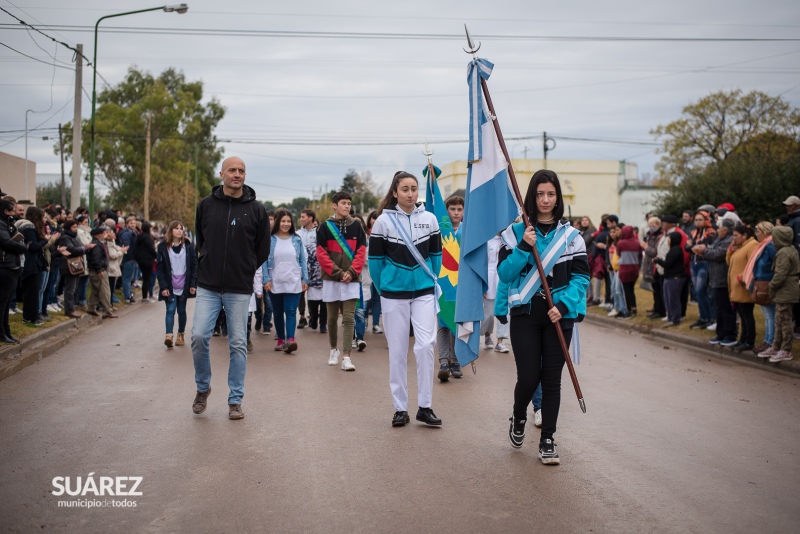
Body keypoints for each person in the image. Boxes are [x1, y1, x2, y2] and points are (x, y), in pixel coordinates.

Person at [498, 169, 590, 465]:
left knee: (551, 379)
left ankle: (548, 439)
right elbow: (504, 274)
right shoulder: (513, 234)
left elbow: (581, 278)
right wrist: (524, 246)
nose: (546, 200)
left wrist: (563, 306)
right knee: (527, 377)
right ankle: (518, 415)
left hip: (558, 316)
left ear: (558, 197)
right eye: (540, 194)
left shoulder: (573, 237)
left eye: (551, 194)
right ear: (531, 197)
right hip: (525, 313)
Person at [190, 156, 270, 420]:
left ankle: (235, 400)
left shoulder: (256, 209)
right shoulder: (206, 205)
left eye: (242, 171)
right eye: (232, 170)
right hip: (208, 286)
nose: (237, 174)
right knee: (200, 336)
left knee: (237, 343)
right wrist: (207, 262)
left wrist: (246, 268)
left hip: (239, 287)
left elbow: (262, 249)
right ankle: (203, 388)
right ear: (221, 173)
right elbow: (200, 239)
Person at [369, 171, 443, 427]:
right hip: (393, 295)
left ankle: (425, 406)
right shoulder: (383, 222)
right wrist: (385, 288)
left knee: (425, 346)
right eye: (405, 189)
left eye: (413, 188)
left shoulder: (430, 219)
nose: (410, 193)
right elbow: (375, 263)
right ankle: (400, 408)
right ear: (395, 193)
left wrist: (429, 279)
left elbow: (436, 256)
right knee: (397, 352)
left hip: (423, 292)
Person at [316, 191, 367, 371]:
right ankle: (333, 349)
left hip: (352, 279)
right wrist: (338, 273)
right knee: (331, 319)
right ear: (334, 205)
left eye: (348, 203)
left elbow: (361, 251)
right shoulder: (324, 227)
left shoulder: (357, 227)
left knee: (348, 318)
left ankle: (346, 356)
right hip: (332, 278)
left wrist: (352, 272)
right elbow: (321, 254)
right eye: (343, 203)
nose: (347, 206)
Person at [263, 208, 308, 354]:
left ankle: (290, 340)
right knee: (277, 312)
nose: (286, 224)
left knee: (290, 311)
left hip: (293, 280)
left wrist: (304, 279)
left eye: (288, 221)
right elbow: (263, 261)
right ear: (277, 222)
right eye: (283, 221)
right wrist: (266, 279)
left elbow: (302, 259)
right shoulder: (269, 239)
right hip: (275, 281)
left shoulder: (296, 239)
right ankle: (281, 339)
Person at [761, 226, 800, 362]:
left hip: (786, 290)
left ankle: (786, 349)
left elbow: (780, 274)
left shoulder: (783, 252)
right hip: (787, 289)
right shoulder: (790, 249)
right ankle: (776, 346)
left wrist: (771, 286)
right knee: (779, 320)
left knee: (785, 321)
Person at [156, 220, 197, 348]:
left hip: (184, 284)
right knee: (170, 309)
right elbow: (160, 268)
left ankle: (181, 333)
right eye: (177, 228)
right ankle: (169, 335)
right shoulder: (163, 247)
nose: (180, 230)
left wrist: (193, 285)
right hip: (170, 284)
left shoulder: (188, 246)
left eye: (181, 228)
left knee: (181, 310)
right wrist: (163, 286)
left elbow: (194, 266)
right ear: (171, 230)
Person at [436, 195, 465, 381]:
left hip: (461, 283)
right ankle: (443, 362)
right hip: (443, 282)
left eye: (459, 209)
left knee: (458, 322)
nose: (455, 212)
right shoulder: (441, 231)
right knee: (442, 324)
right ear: (446, 211)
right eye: (452, 209)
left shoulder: (467, 231)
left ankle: (455, 360)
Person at [697, 218, 736, 345]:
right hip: (715, 278)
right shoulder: (720, 239)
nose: (717, 230)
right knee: (719, 309)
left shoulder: (729, 240)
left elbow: (717, 254)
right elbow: (712, 250)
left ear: (725, 230)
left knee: (726, 309)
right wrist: (706, 249)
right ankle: (721, 334)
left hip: (723, 279)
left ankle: (730, 336)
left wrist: (703, 251)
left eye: (719, 228)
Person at [743, 222, 776, 354]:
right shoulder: (763, 246)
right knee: (767, 315)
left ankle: (770, 342)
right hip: (760, 283)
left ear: (766, 232)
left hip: (767, 284)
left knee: (770, 315)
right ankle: (767, 341)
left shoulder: (770, 246)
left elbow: (776, 265)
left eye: (758, 231)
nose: (756, 234)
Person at [725, 224, 759, 351]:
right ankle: (743, 340)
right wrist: (731, 249)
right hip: (736, 288)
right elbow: (729, 261)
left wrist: (741, 277)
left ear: (744, 236)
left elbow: (753, 265)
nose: (733, 239)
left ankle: (749, 341)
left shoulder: (752, 245)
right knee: (743, 316)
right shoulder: (740, 246)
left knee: (747, 316)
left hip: (743, 286)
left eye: (736, 236)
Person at [0, 198, 27, 343]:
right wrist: (23, 247)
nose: (14, 214)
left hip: (11, 265)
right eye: (12, 211)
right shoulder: (1, 224)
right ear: (5, 211)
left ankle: (6, 331)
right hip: (6, 266)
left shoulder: (8, 224)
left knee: (6, 300)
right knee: (3, 301)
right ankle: (2, 332)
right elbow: (6, 242)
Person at [16, 207, 49, 325]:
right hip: (30, 264)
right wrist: (46, 240)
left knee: (32, 292)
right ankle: (31, 317)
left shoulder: (27, 227)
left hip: (30, 263)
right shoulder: (29, 228)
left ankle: (30, 316)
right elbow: (34, 247)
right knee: (32, 292)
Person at [685, 210, 716, 329]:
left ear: (706, 220)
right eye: (696, 220)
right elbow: (687, 247)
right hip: (695, 262)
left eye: (700, 220)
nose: (697, 222)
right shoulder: (693, 232)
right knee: (698, 292)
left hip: (704, 262)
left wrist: (697, 246)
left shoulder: (711, 232)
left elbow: (707, 247)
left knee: (701, 290)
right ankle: (703, 317)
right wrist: (695, 247)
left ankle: (709, 317)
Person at [85, 226, 118, 319]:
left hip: (97, 270)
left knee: (96, 290)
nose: (105, 235)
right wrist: (99, 270)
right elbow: (96, 258)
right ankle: (107, 310)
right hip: (98, 271)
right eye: (104, 233)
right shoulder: (96, 245)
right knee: (105, 291)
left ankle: (91, 307)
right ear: (98, 234)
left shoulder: (99, 243)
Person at [654, 232, 685, 326]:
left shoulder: (676, 250)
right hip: (669, 277)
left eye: (670, 238)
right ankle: (670, 316)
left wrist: (658, 260)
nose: (668, 240)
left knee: (673, 299)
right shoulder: (672, 249)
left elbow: (668, 263)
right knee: (667, 298)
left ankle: (675, 319)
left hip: (675, 277)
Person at [296, 209, 317, 329]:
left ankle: (313, 316)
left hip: (315, 268)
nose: (301, 219)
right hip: (301, 267)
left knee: (313, 293)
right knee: (300, 292)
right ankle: (302, 316)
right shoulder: (298, 233)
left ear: (310, 218)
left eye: (303, 217)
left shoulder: (318, 233)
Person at [616, 225, 642, 317]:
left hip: (624, 269)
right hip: (634, 268)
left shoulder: (621, 243)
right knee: (632, 289)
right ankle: (634, 308)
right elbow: (640, 256)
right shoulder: (637, 243)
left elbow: (618, 253)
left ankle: (629, 310)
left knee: (626, 291)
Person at [365, 210, 382, 333]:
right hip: (366, 273)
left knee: (377, 299)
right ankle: (364, 321)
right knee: (367, 298)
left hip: (379, 273)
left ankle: (375, 324)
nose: (375, 221)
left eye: (377, 219)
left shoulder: (383, 234)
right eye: (373, 219)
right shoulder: (365, 236)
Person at [135, 221, 158, 303]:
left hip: (140, 260)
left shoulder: (139, 237)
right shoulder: (147, 238)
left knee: (145, 278)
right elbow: (151, 249)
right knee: (147, 279)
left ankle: (145, 296)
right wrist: (156, 256)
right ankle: (145, 297)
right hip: (148, 260)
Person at [118, 216, 138, 304]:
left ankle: (129, 294)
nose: (133, 225)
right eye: (131, 223)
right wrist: (131, 257)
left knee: (130, 278)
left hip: (133, 258)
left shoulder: (133, 232)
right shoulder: (127, 233)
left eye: (134, 223)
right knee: (127, 278)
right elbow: (127, 247)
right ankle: (127, 296)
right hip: (129, 259)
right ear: (127, 224)